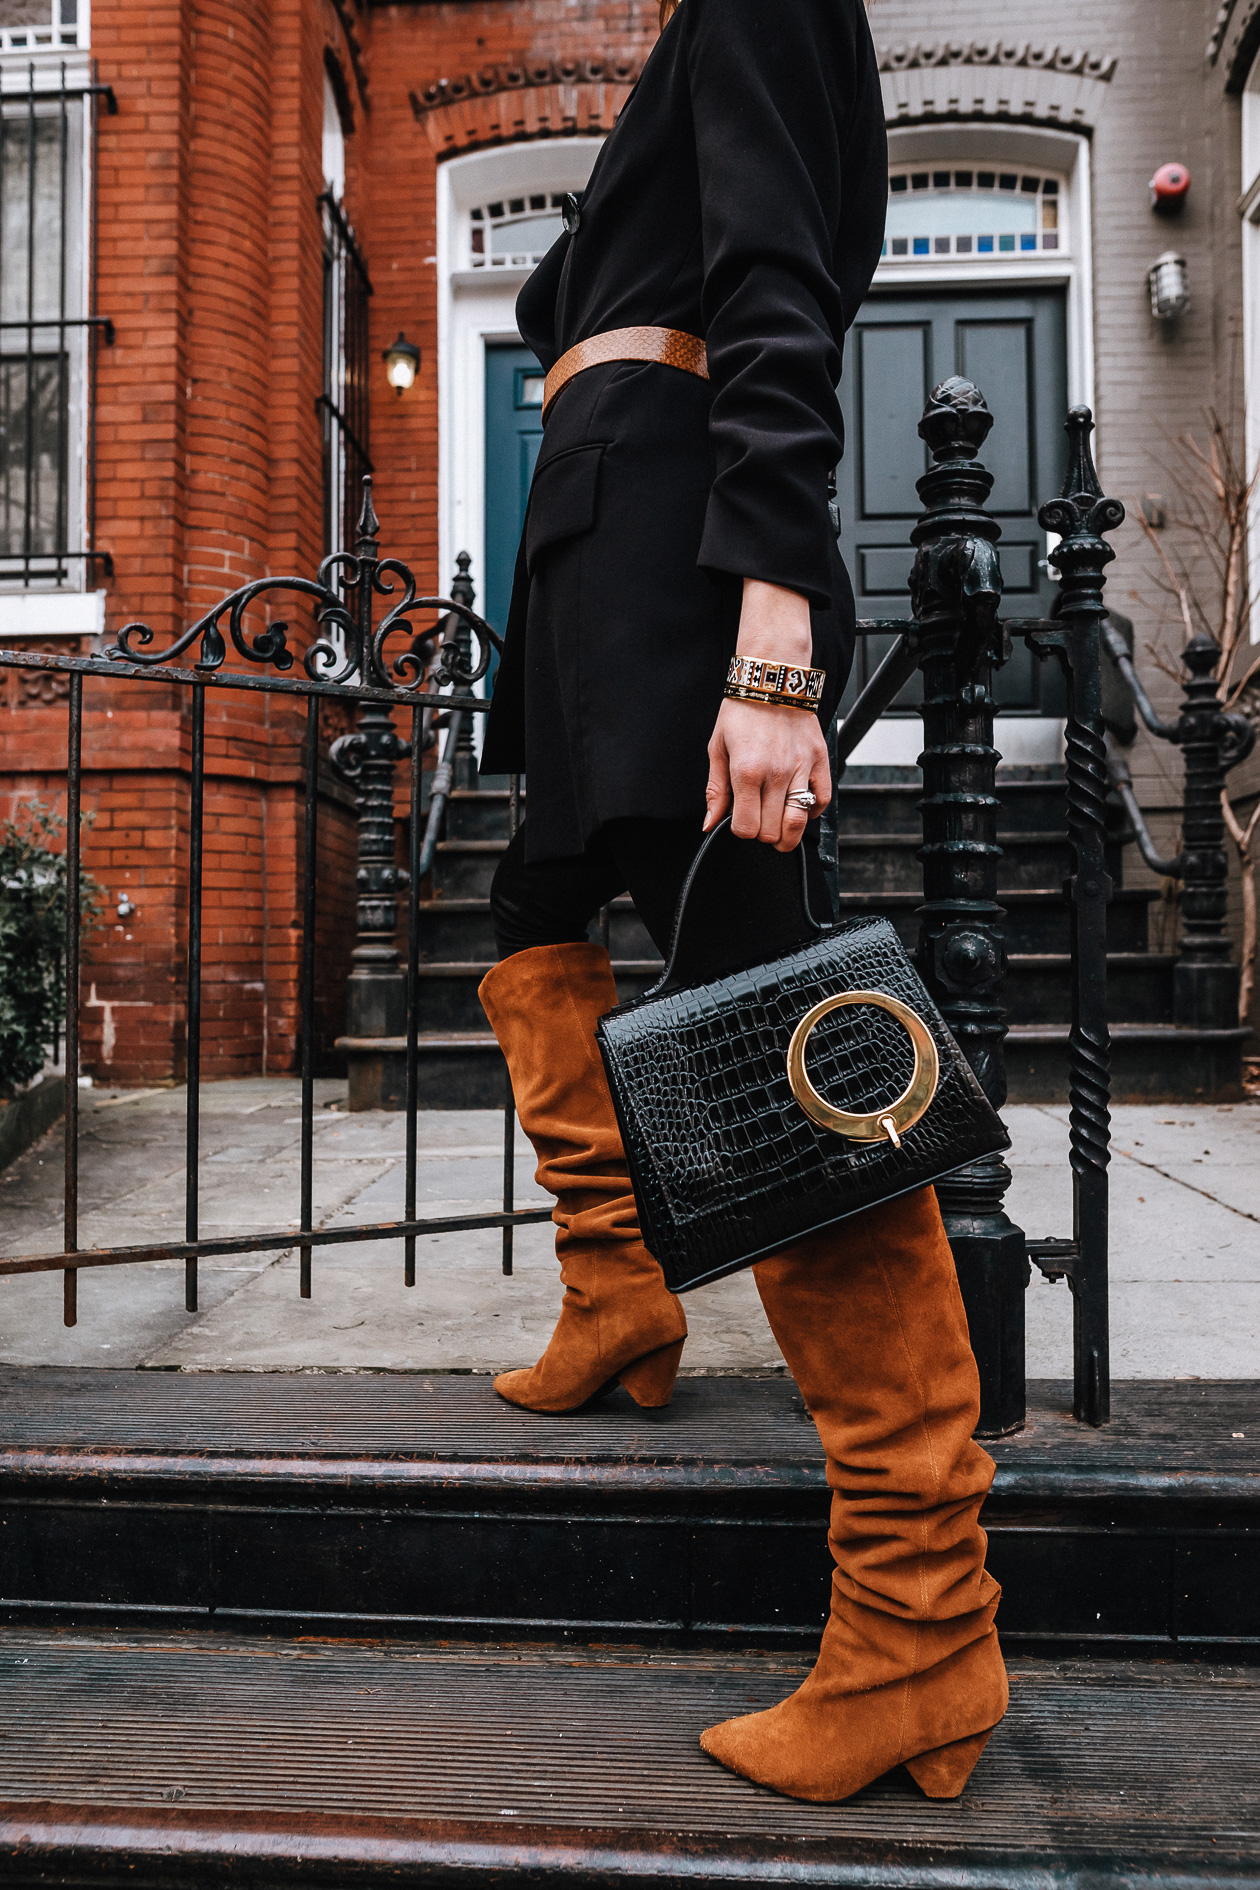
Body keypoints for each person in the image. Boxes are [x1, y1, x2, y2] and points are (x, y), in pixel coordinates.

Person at [476, 0, 1006, 1807]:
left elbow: (782, 292)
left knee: (776, 1033)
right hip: (592, 556)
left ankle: (923, 1630)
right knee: (529, 923)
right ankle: (622, 1291)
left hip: (679, 566)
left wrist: (775, 637)